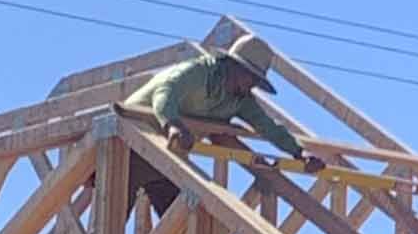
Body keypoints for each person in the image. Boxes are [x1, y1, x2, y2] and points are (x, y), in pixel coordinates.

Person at [123, 34, 325, 172]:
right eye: (251, 78)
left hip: (164, 153)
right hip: (129, 136)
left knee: (178, 211)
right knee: (121, 196)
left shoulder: (240, 99)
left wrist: (299, 152)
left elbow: (267, 126)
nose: (252, 86)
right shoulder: (198, 73)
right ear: (235, 67)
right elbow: (165, 92)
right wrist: (172, 124)